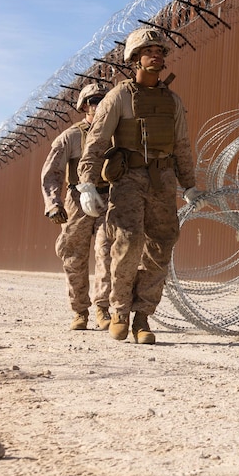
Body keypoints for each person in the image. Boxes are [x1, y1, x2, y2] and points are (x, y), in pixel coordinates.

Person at [76, 27, 201, 345]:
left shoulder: (172, 101)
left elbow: (182, 145)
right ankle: (119, 311)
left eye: (160, 51)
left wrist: (189, 185)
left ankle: (143, 317)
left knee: (161, 246)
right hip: (129, 180)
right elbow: (97, 140)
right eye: (149, 51)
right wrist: (87, 183)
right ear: (134, 58)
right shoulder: (119, 96)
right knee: (128, 243)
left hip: (162, 181)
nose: (157, 55)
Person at [40, 82, 113, 331]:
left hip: (108, 197)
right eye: (93, 101)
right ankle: (80, 311)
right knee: (74, 255)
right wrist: (53, 203)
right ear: (84, 106)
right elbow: (52, 172)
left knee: (108, 251)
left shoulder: (116, 133)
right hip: (77, 199)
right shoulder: (71, 136)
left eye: (103, 101)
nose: (98, 105)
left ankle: (103, 308)